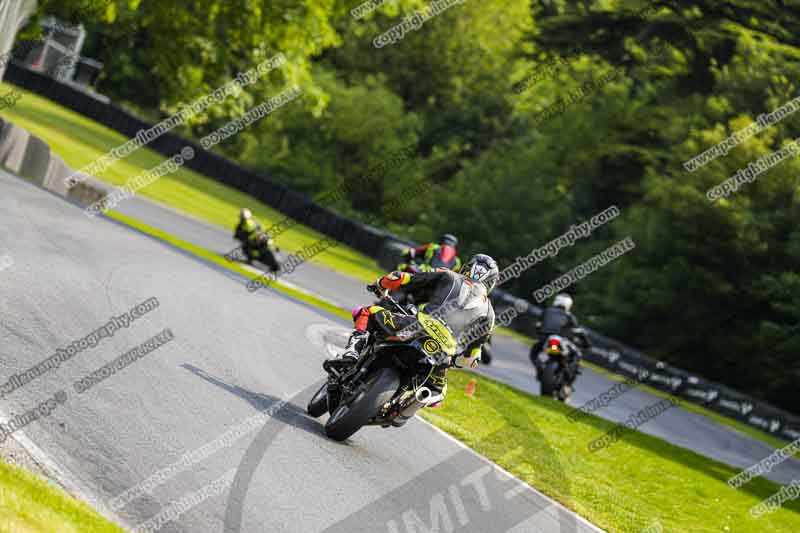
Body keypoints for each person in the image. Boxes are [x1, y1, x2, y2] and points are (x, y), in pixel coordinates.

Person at [328, 254, 499, 402]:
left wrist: (381, 283)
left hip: (417, 327)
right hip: (443, 352)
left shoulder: (448, 275)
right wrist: (454, 361)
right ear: (491, 282)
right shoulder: (490, 314)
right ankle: (402, 408)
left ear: (467, 268)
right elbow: (472, 357)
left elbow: (401, 278)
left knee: (367, 312)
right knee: (437, 394)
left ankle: (352, 353)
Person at [530, 293, 588, 383]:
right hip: (560, 341)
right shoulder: (569, 316)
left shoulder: (547, 311)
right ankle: (569, 377)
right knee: (577, 355)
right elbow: (578, 331)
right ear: (568, 304)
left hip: (546, 340)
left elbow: (538, 326)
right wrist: (586, 343)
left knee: (533, 353)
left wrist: (540, 335)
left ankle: (540, 368)